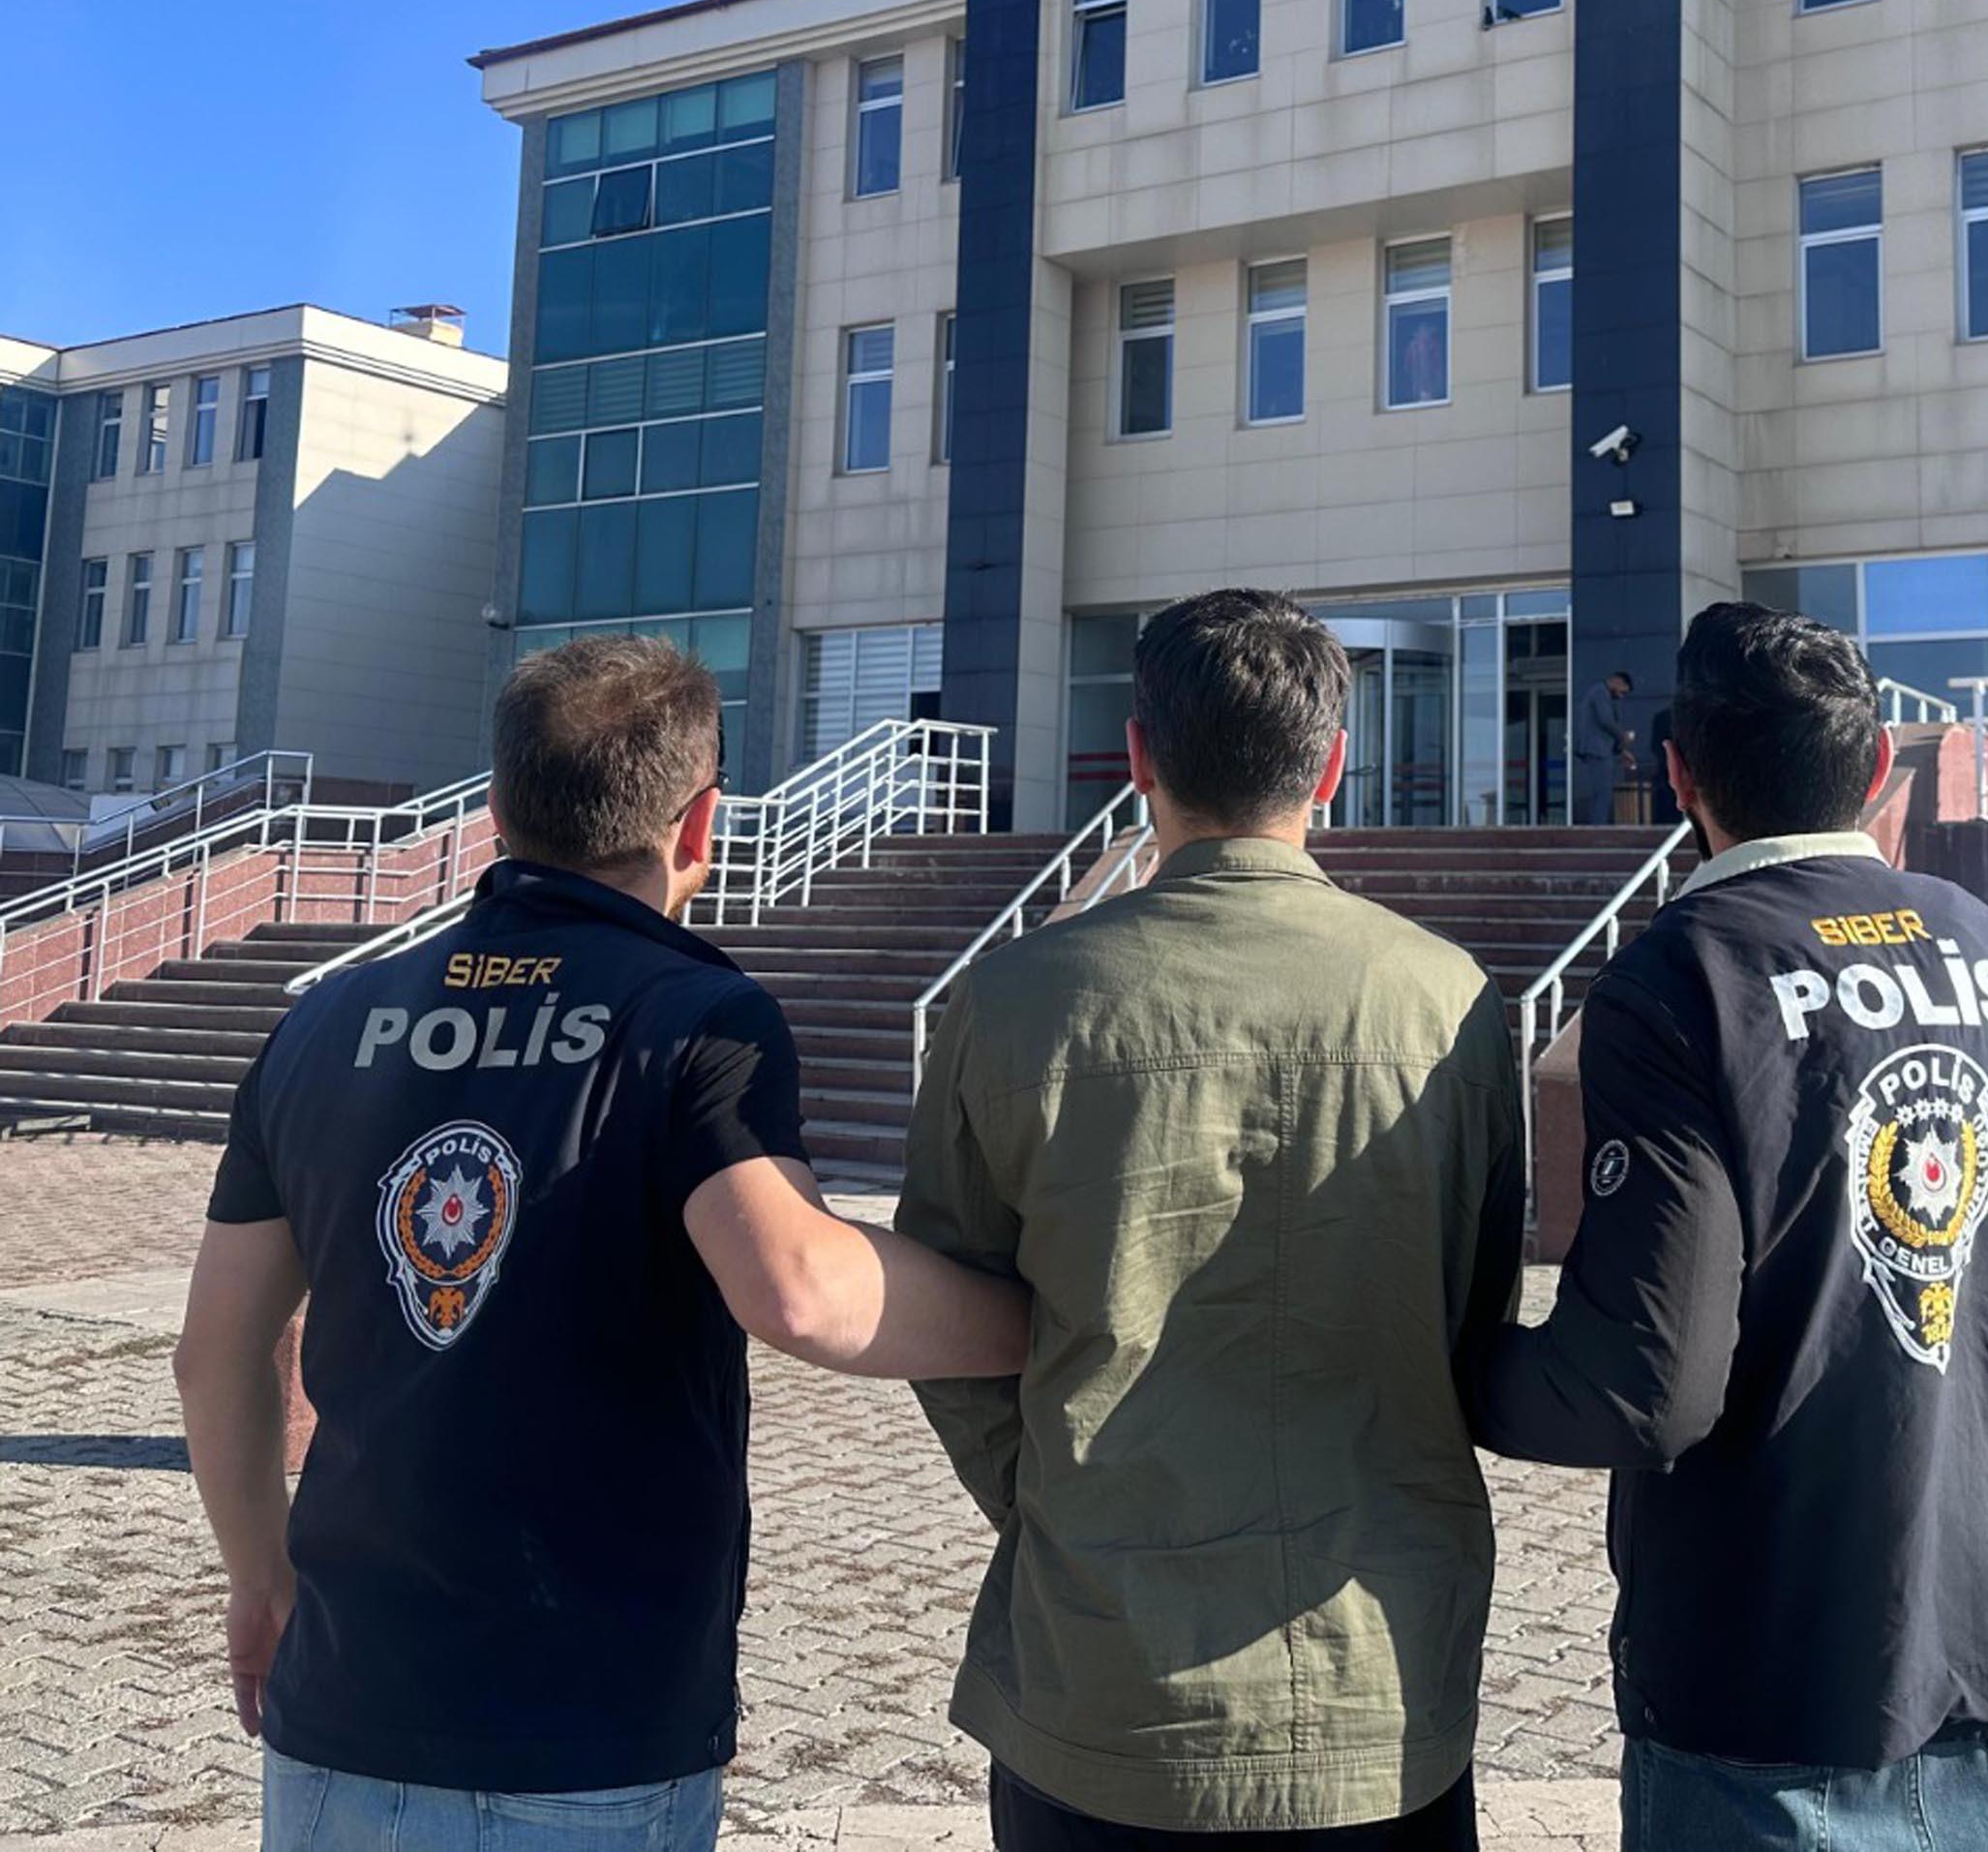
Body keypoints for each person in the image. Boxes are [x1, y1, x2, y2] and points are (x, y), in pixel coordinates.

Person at [173, 636, 1029, 1852]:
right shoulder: (692, 1016)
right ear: (700, 826)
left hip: (342, 1707)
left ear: (498, 810)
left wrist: (259, 1580)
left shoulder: (325, 1020)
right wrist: (1056, 1321)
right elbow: (801, 1290)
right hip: (588, 1721)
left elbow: (214, 1353)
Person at [1475, 602, 1988, 1851]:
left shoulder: (1680, 982)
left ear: (1678, 774)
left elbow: (1642, 1387)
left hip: (1762, 1711)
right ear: (1874, 769)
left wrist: (1439, 1364)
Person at [898, 589, 1525, 1849]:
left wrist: (1051, 1495)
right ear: (1333, 766)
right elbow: (1473, 1313)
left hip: (1101, 1668)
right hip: (1376, 1675)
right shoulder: (1448, 1002)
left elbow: (942, 1317)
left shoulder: (1013, 1000)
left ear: (1138, 758)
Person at [1571, 668, 1636, 825]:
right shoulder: (1600, 692)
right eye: (1622, 691)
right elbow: (1605, 720)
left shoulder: (1600, 693)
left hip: (1600, 750)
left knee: (1601, 791)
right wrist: (1623, 736)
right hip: (1598, 751)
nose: (1621, 696)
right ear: (1617, 681)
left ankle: (1597, 825)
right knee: (1602, 792)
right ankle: (1598, 827)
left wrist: (1621, 751)